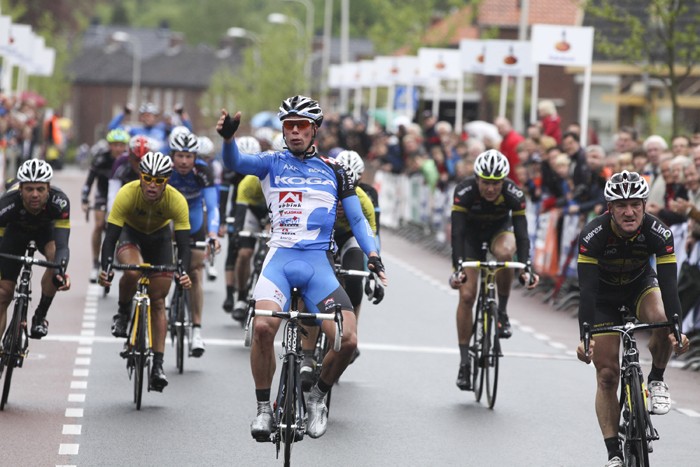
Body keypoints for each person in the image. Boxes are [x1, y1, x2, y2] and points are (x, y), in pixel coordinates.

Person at [216, 95, 387, 440]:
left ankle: (319, 396)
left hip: (317, 266)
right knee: (263, 328)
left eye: (301, 126)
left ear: (315, 130)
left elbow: (357, 219)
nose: (294, 132)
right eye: (289, 126)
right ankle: (264, 409)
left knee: (348, 339)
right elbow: (235, 162)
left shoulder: (335, 171)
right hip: (279, 261)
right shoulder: (270, 163)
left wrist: (373, 254)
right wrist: (228, 139)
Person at [575, 170, 690, 467]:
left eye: (636, 204)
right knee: (607, 375)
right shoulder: (593, 234)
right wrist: (585, 336)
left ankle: (656, 380)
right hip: (602, 298)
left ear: (644, 205)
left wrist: (676, 328)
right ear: (609, 209)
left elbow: (668, 284)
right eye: (621, 205)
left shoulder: (658, 232)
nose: (629, 212)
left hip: (640, 287)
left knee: (664, 321)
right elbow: (586, 291)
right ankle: (614, 451)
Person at [98, 152, 192, 392]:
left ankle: (158, 366)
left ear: (167, 181)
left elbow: (182, 244)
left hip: (159, 240)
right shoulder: (127, 193)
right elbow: (110, 238)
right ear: (140, 176)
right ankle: (122, 312)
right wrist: (106, 268)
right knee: (132, 271)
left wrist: (182, 271)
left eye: (159, 181)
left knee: (159, 302)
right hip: (132, 236)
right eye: (148, 178)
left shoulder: (176, 200)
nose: (152, 185)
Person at [449, 149, 539, 391]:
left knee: (506, 254)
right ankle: (464, 361)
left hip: (499, 231)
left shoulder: (514, 193)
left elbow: (521, 234)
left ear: (504, 181)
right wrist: (458, 267)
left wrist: (527, 266)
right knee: (467, 296)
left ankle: (502, 312)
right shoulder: (464, 191)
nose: (491, 189)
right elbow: (456, 233)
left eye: (496, 183)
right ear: (477, 179)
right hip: (469, 237)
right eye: (486, 183)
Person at [0, 160, 71, 338]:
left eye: (40, 189)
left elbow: (62, 245)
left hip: (45, 233)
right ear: (20, 188)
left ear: (49, 188)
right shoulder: (6, 203)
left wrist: (60, 270)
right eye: (29, 189)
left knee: (55, 259)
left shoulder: (59, 201)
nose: (34, 194)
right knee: (3, 294)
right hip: (14, 234)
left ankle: (40, 316)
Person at [168, 131, 221, 356]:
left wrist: (213, 233)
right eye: (180, 156)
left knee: (196, 273)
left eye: (189, 156)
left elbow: (213, 205)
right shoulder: (166, 170)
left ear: (195, 157)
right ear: (172, 155)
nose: (184, 161)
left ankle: (197, 331)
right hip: (169, 217)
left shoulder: (203, 171)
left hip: (193, 218)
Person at [81, 129, 128, 282]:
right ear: (109, 145)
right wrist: (84, 199)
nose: (119, 149)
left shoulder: (128, 160)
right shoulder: (101, 159)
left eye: (122, 145)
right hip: (102, 195)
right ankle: (95, 263)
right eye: (115, 145)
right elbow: (89, 181)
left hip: (121, 196)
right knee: (100, 224)